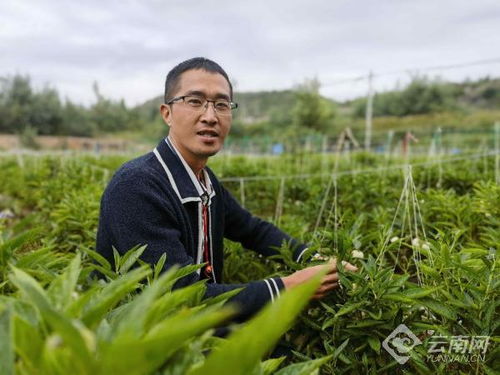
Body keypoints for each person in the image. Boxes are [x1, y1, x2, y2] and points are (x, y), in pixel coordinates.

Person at [96, 57, 357, 320]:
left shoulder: (205, 181)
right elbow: (181, 297)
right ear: (167, 113)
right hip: (139, 345)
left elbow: (253, 230)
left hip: (197, 332)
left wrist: (312, 257)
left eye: (221, 105)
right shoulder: (136, 186)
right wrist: (287, 287)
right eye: (195, 101)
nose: (210, 116)